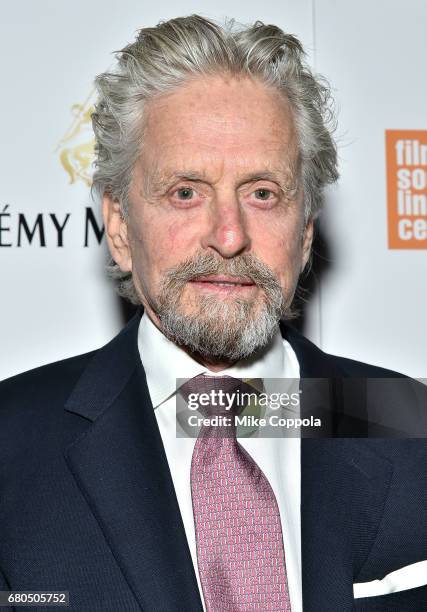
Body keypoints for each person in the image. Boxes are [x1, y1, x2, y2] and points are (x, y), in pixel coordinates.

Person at [0, 15, 426, 612]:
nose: (228, 236)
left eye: (262, 193)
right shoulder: (10, 445)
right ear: (119, 226)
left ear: (305, 231)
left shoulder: (412, 424)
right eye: (185, 192)